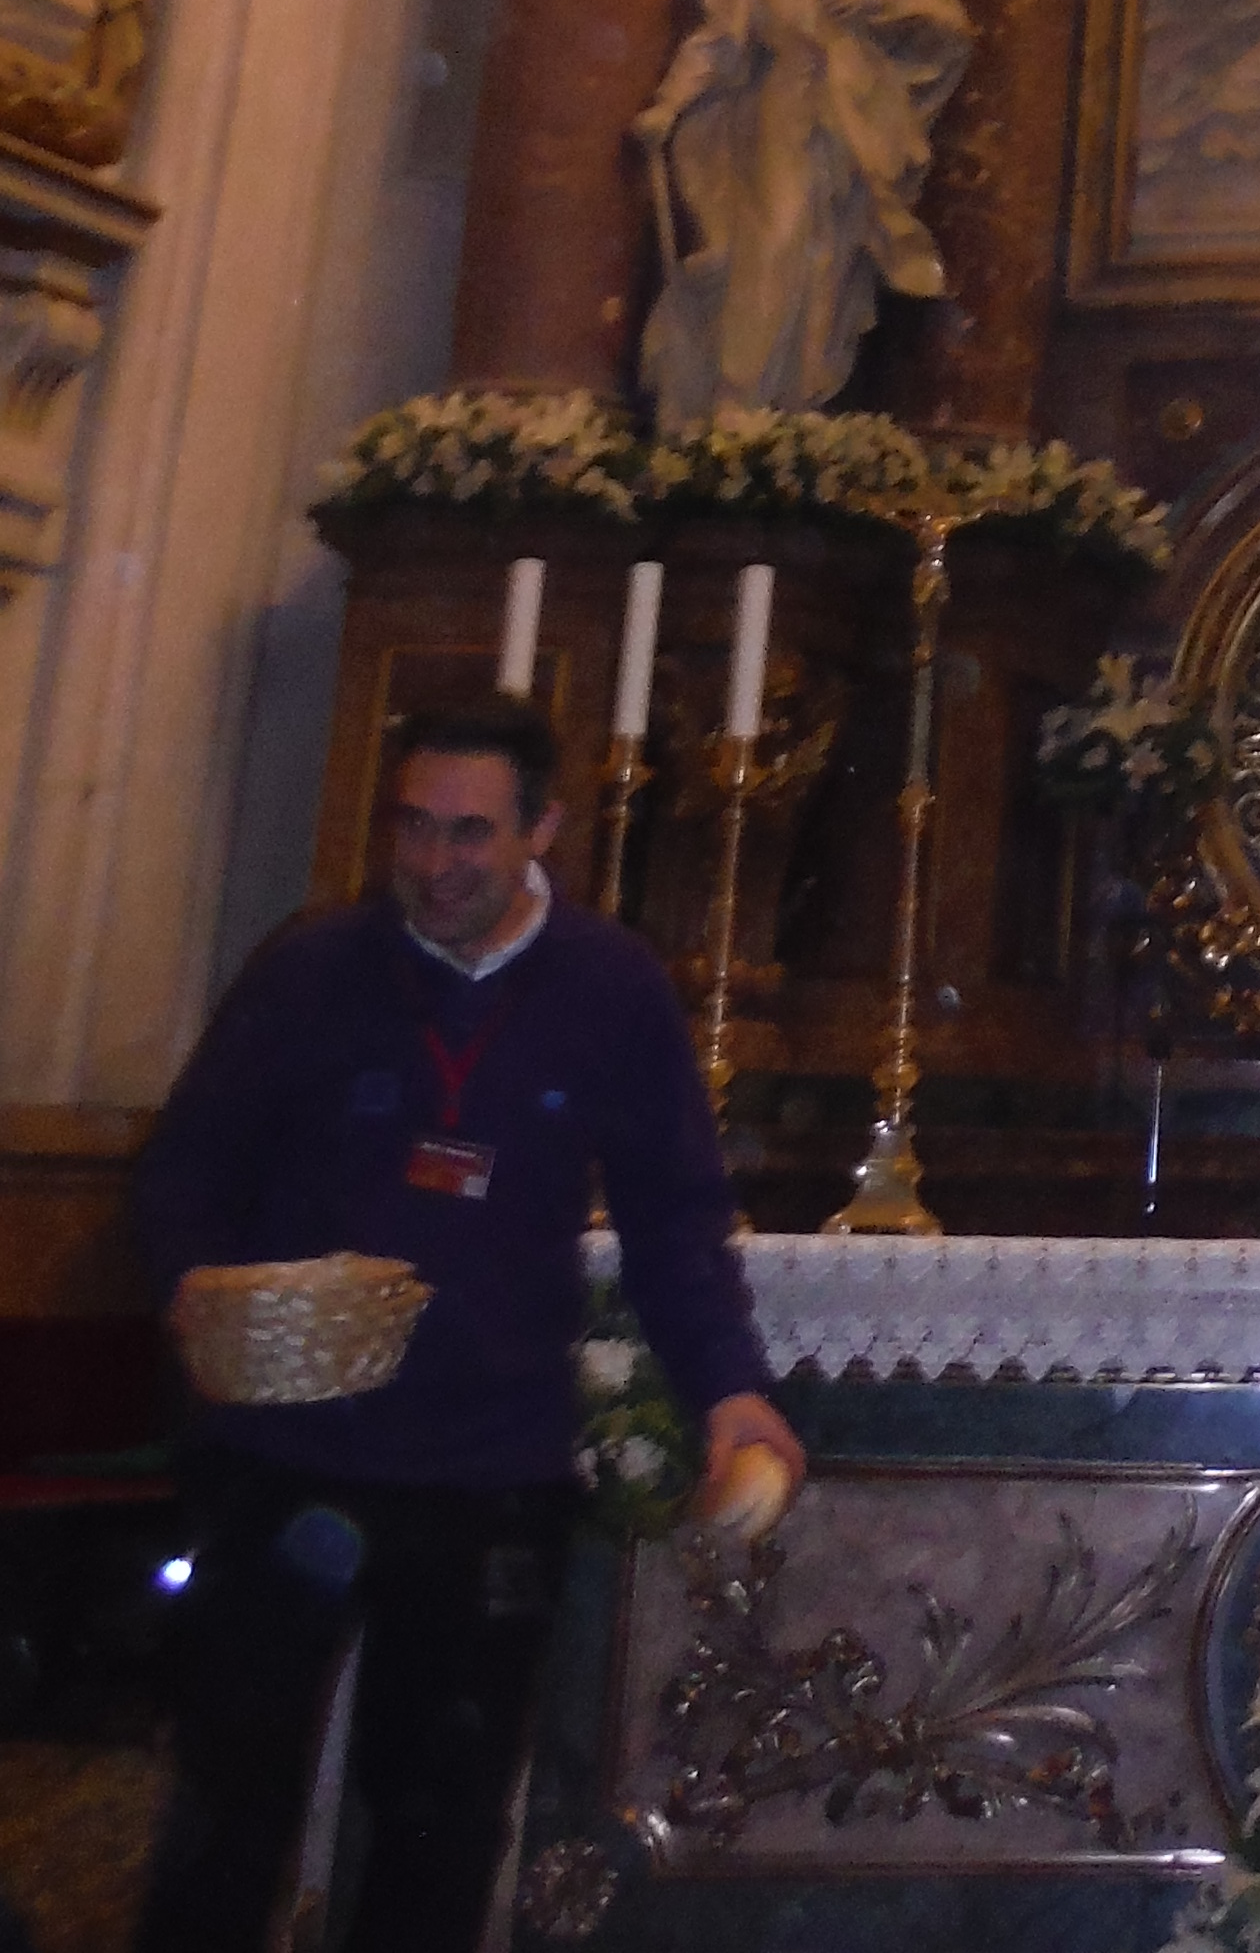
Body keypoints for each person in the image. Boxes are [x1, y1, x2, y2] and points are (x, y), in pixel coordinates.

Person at [130, 696, 803, 1953]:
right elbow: (185, 1168)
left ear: (543, 829)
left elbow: (674, 1216)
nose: (434, 863)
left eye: (470, 833)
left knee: (439, 1831)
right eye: (414, 827)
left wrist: (730, 1386)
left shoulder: (611, 986)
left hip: (487, 1475)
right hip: (282, 1458)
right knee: (224, 1813)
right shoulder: (310, 969)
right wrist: (194, 1285)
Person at [630, 0, 972, 421]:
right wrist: (669, 103)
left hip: (858, 127)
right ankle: (737, 393)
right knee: (774, 238)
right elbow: (716, 44)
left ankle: (793, 398)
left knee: (827, 262)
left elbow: (951, 27)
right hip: (783, 116)